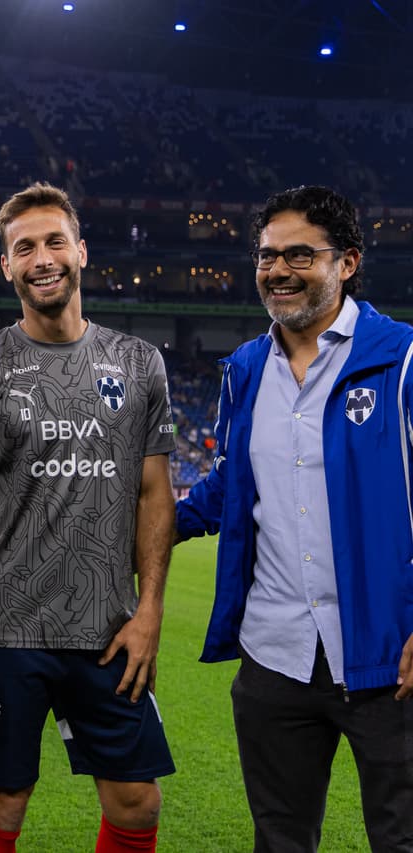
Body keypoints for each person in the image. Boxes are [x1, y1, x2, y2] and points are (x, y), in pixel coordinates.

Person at [0, 182, 176, 853]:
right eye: (23, 246)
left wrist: (149, 610)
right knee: (2, 800)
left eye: (54, 240)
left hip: (109, 627)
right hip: (8, 628)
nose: (42, 257)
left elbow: (155, 493)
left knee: (137, 799)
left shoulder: (139, 362)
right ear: (6, 265)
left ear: (81, 251)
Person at [175, 185, 413, 852]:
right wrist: (144, 524)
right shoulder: (247, 369)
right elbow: (228, 485)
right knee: (280, 840)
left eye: (299, 255)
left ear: (348, 262)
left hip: (389, 659)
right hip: (275, 656)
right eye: (266, 256)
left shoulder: (402, 359)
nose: (277, 270)